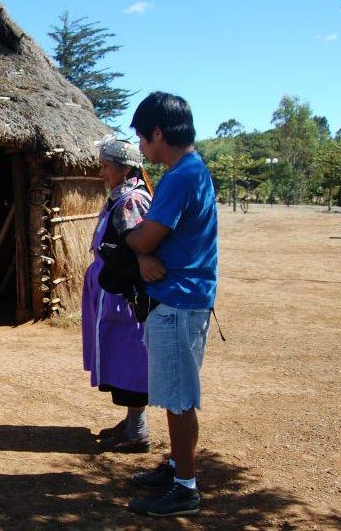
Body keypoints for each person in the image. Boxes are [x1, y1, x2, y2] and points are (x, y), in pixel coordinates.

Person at [124, 92, 218, 517]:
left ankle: (185, 488)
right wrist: (143, 255)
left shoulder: (179, 177)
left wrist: (133, 242)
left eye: (143, 139)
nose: (142, 148)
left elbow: (144, 236)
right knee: (173, 392)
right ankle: (178, 466)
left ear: (159, 133)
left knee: (179, 398)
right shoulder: (192, 171)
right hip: (185, 298)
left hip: (179, 301)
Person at [82, 136, 154, 453]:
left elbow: (142, 250)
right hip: (111, 288)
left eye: (105, 166)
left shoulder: (132, 201)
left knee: (131, 355)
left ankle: (138, 431)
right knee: (119, 353)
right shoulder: (117, 198)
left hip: (125, 294)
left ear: (124, 169)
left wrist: (125, 284)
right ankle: (131, 421)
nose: (101, 173)